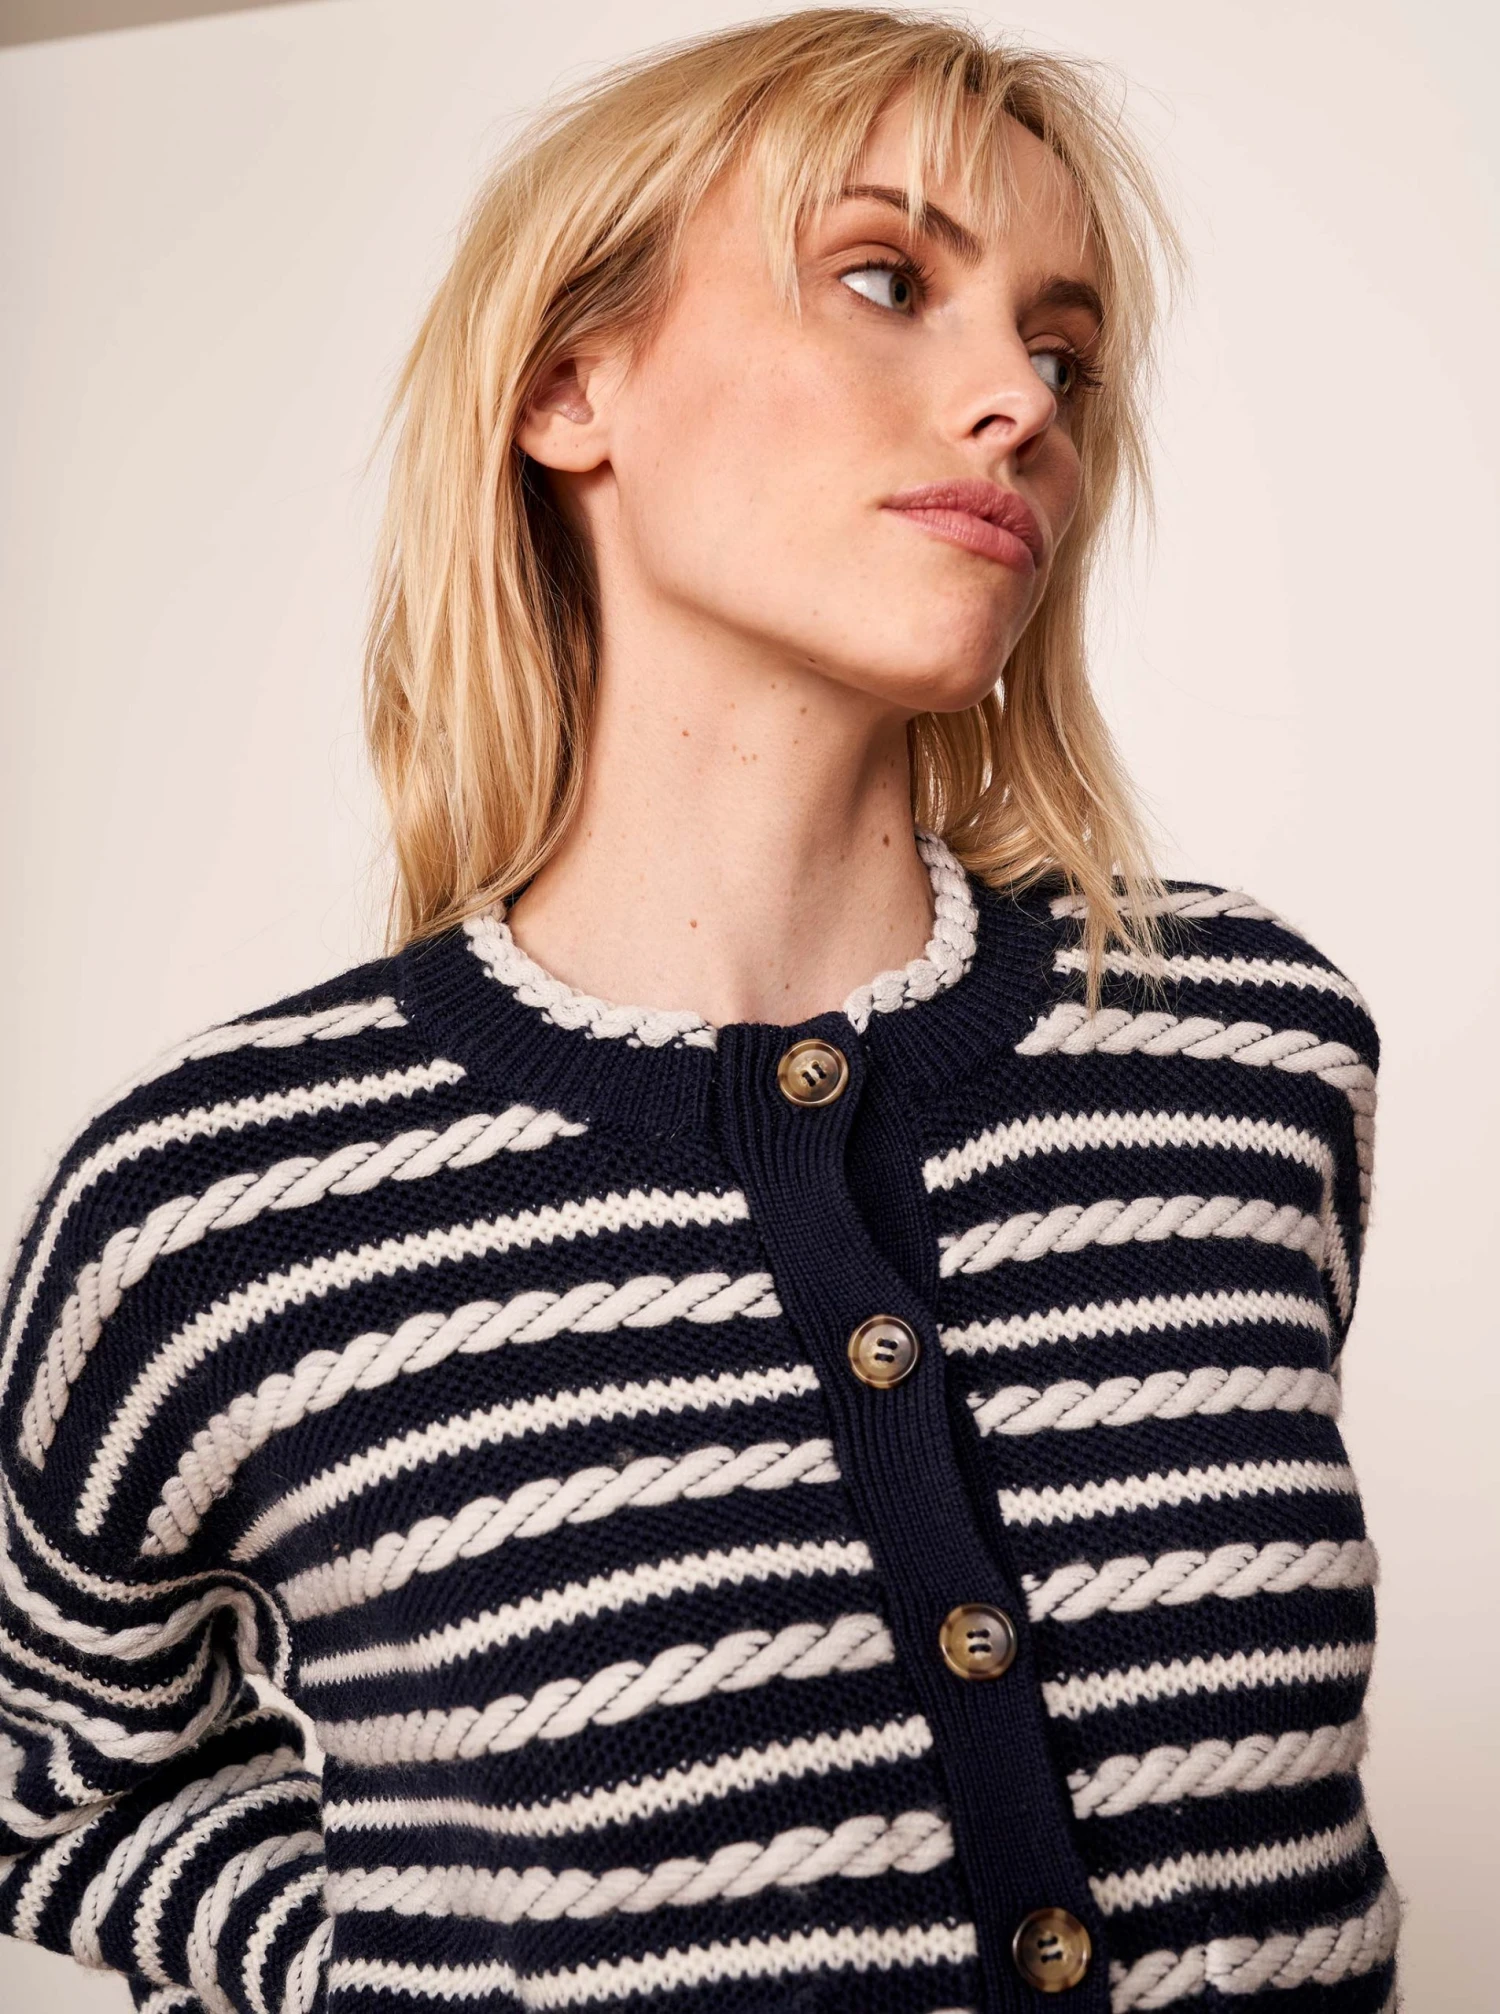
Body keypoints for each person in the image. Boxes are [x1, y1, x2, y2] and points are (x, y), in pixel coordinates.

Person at [0, 10, 1396, 2013]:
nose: (1019, 398)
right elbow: (47, 1778)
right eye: (886, 280)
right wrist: (423, 1964)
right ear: (574, 386)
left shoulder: (1243, 1047)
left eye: (1065, 352)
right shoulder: (217, 1198)